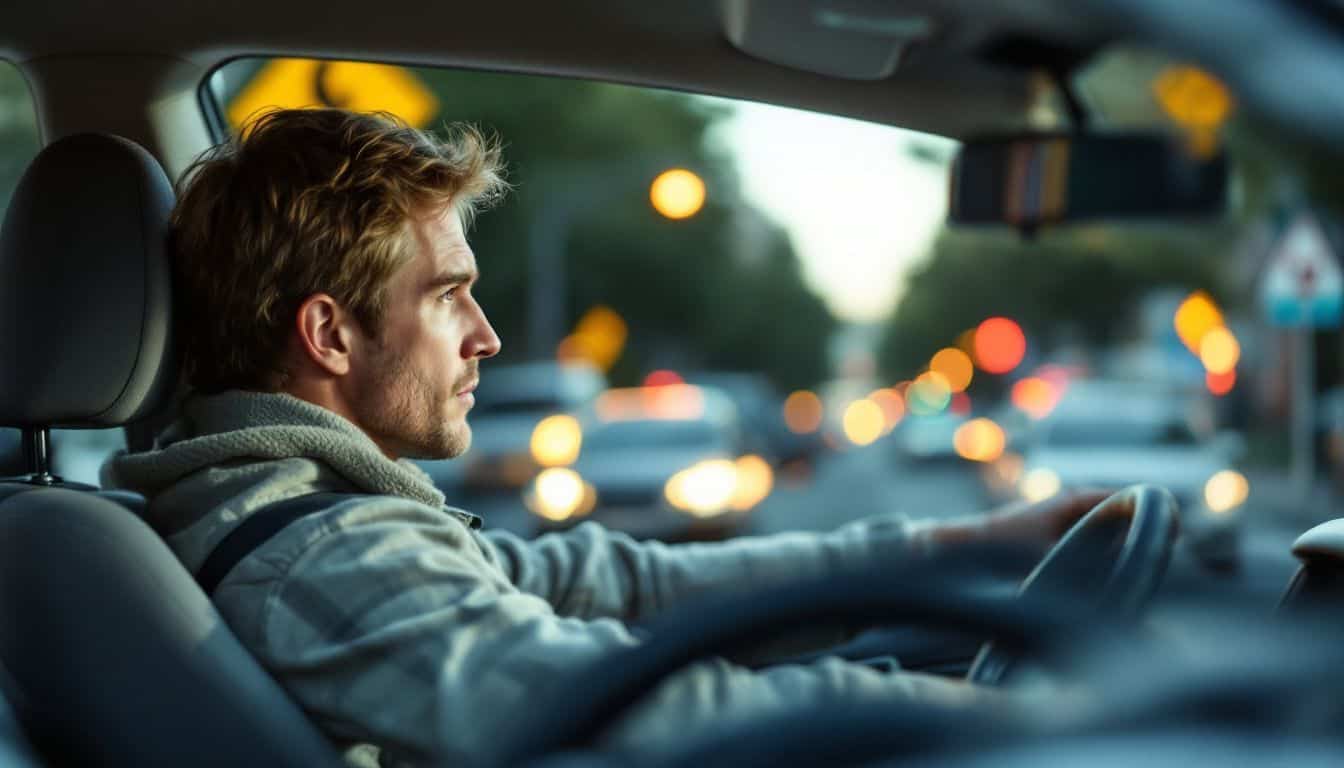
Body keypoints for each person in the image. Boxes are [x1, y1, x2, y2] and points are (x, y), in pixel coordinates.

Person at [105, 108, 1103, 767]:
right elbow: (605, 705)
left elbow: (618, 583)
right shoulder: (323, 556)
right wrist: (1019, 729)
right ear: (328, 334)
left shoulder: (303, 517)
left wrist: (953, 547)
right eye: (450, 296)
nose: (486, 337)